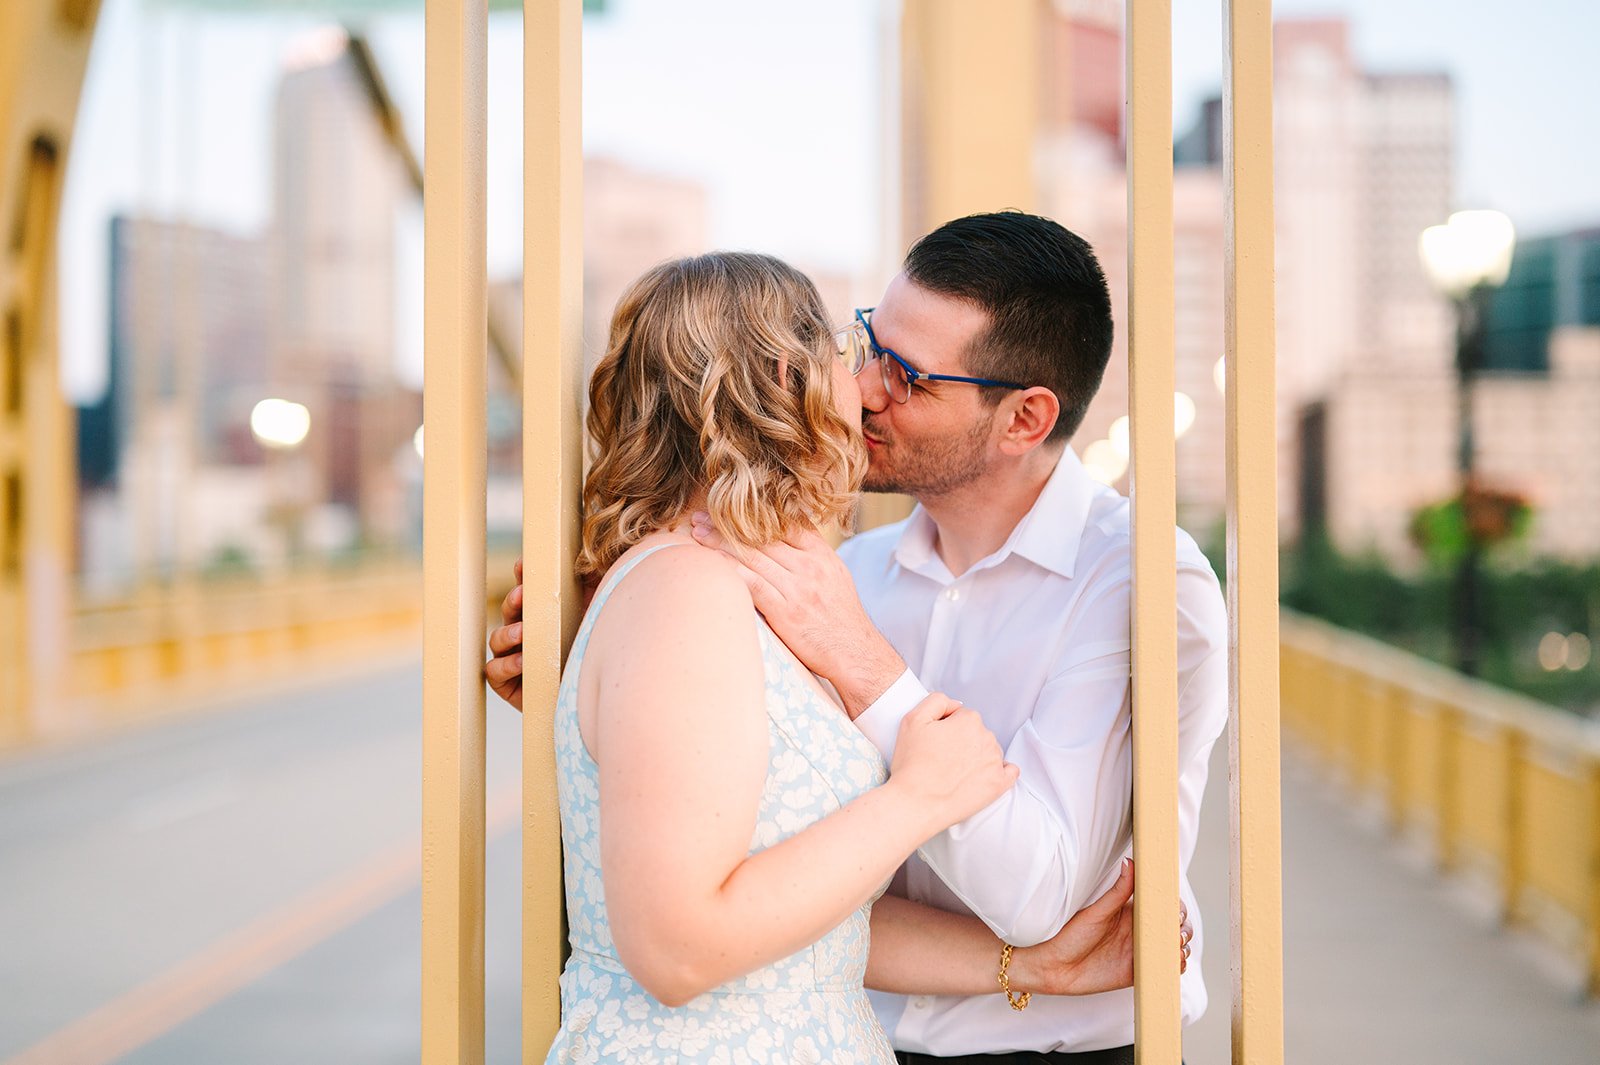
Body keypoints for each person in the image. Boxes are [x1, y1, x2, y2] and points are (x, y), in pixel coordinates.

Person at [508, 251, 1190, 1065]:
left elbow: (805, 922)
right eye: (844, 349)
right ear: (774, 382)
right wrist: (919, 795)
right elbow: (679, 948)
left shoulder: (759, 587)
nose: (864, 385)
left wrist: (1036, 968)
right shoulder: (684, 591)